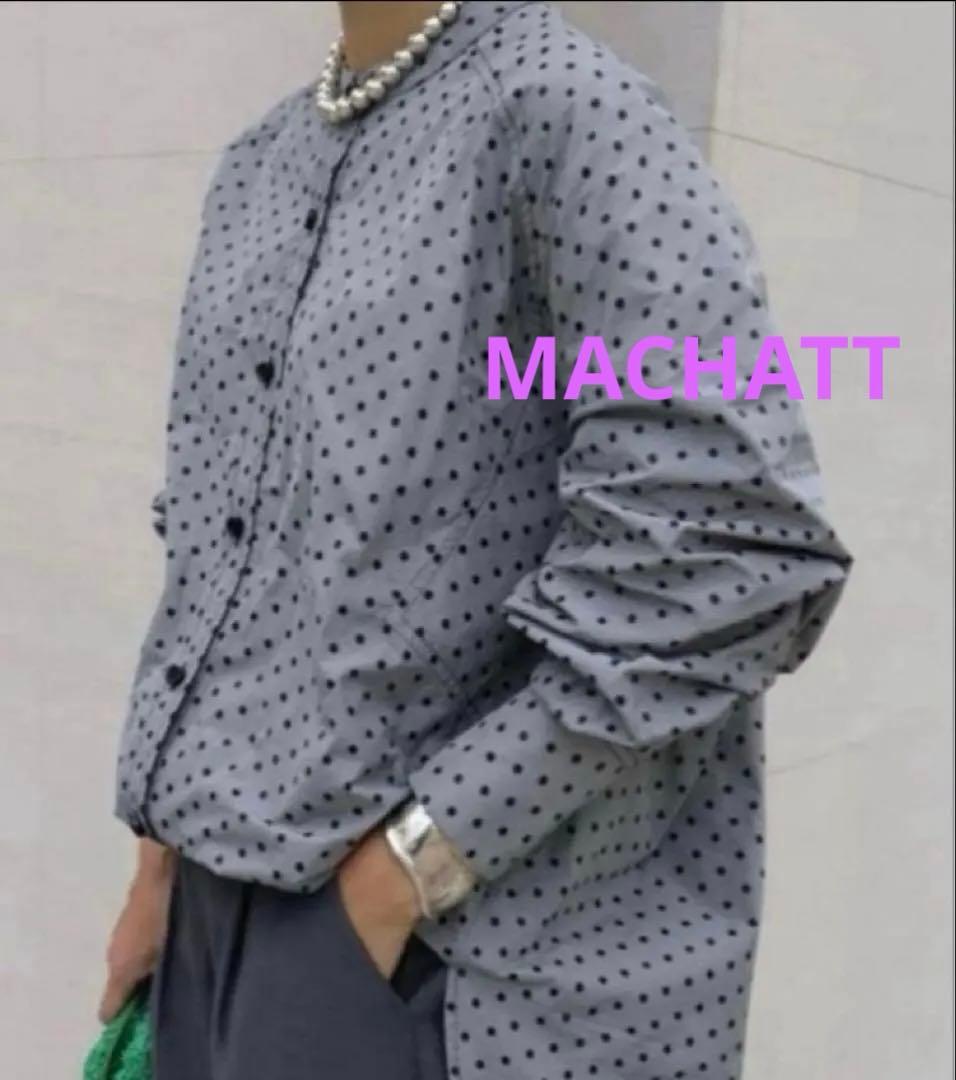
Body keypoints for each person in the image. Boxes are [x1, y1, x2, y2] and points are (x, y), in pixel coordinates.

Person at [98, 2, 854, 1078]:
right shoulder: (258, 165)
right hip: (212, 915)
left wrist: (406, 873)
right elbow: (220, 546)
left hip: (444, 954)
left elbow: (729, 539)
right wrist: (160, 871)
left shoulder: (570, 114)